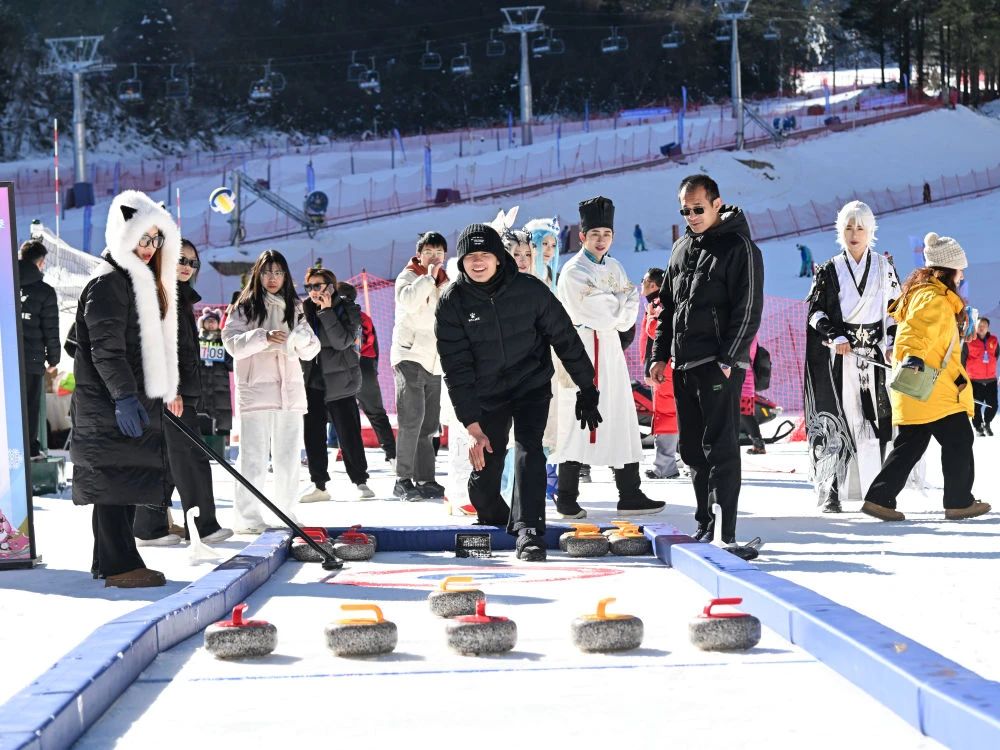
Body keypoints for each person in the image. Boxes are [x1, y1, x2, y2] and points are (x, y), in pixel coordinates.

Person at [435, 224, 599, 560]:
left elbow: (565, 337)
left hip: (530, 385)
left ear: (498, 258)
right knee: (485, 479)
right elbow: (456, 368)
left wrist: (587, 386)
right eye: (470, 256)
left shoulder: (530, 290)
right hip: (486, 393)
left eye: (485, 255)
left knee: (529, 450)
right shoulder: (452, 302)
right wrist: (472, 425)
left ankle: (529, 530)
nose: (477, 262)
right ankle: (494, 511)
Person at [71, 190, 180, 588]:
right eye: (142, 238)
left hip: (121, 400)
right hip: (108, 404)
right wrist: (123, 396)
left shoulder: (126, 279)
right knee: (115, 483)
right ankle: (120, 566)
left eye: (155, 240)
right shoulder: (109, 282)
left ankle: (110, 561)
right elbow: (105, 349)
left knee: (119, 481)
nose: (149, 248)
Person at [650, 175, 764, 544]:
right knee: (692, 450)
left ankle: (728, 532)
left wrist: (729, 358)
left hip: (717, 364)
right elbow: (666, 307)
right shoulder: (680, 247)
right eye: (685, 210)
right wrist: (658, 355)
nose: (692, 216)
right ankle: (703, 522)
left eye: (698, 208)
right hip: (683, 365)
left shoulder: (740, 247)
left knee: (722, 446)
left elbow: (748, 308)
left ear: (717, 204)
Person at [861, 233, 991, 522]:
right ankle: (959, 501)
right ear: (947, 270)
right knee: (958, 438)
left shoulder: (932, 296)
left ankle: (879, 498)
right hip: (932, 387)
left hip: (928, 387)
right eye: (959, 270)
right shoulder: (933, 298)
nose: (962, 275)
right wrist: (912, 358)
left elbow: (930, 335)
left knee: (911, 444)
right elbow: (913, 333)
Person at [555, 196, 664, 518]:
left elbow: (627, 313)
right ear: (582, 237)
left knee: (620, 416)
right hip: (582, 349)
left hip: (610, 351)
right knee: (578, 418)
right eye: (595, 234)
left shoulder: (614, 267)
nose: (600, 240)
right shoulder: (573, 271)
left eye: (606, 234)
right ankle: (566, 495)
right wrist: (618, 303)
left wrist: (615, 304)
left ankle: (629, 492)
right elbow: (599, 313)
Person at [134, 239, 233, 545]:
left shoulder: (179, 296)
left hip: (176, 392)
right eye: (181, 260)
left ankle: (149, 528)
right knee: (191, 457)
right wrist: (171, 389)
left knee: (166, 459)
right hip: (168, 392)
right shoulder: (161, 295)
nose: (187, 267)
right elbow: (157, 346)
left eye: (193, 262)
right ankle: (204, 527)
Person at [804, 201, 899, 513]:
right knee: (838, 422)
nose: (854, 233)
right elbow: (815, 313)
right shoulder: (829, 270)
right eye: (848, 227)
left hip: (874, 361)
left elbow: (896, 311)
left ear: (870, 231)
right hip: (840, 360)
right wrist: (835, 335)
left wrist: (890, 342)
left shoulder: (884, 268)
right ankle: (831, 489)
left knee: (875, 423)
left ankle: (877, 490)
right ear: (839, 231)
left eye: (860, 227)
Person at [222, 249, 321, 532]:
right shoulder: (245, 305)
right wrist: (263, 337)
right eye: (267, 272)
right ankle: (248, 518)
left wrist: (300, 340)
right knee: (252, 457)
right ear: (258, 274)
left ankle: (285, 513)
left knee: (288, 458)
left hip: (289, 393)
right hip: (256, 392)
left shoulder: (296, 305)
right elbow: (231, 343)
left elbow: (312, 348)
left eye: (278, 272)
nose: (273, 278)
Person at [301, 269, 373, 500]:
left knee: (348, 433)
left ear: (330, 286)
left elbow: (342, 341)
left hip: (341, 379)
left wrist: (327, 311)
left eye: (318, 285)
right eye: (309, 287)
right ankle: (319, 485)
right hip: (312, 380)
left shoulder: (348, 308)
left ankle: (360, 481)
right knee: (313, 435)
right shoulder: (304, 309)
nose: (313, 291)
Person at [390, 232, 449, 502]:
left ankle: (426, 478)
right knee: (411, 420)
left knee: (429, 425)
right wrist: (428, 277)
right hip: (410, 355)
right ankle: (402, 479)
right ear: (419, 253)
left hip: (434, 360)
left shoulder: (444, 282)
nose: (434, 257)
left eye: (439, 252)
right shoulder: (409, 276)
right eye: (429, 251)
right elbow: (410, 302)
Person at [338, 281, 396, 460]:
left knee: (339, 412)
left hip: (342, 367)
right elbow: (374, 346)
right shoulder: (364, 317)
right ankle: (391, 452)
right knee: (376, 413)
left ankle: (343, 450)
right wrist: (373, 369)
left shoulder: (335, 316)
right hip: (365, 366)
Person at [17, 240, 60, 459]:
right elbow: (50, 329)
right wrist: (53, 360)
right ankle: (30, 449)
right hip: (32, 360)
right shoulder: (45, 292)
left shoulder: (6, 284)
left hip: (7, 358)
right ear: (41, 262)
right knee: (31, 405)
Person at [640, 267, 679, 479]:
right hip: (661, 368)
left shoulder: (660, 304)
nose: (641, 286)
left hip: (665, 369)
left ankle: (665, 465)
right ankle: (669, 462)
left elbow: (655, 333)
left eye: (645, 282)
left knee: (666, 414)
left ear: (654, 285)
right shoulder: (655, 304)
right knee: (666, 413)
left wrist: (653, 316)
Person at [196, 307, 233, 443]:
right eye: (208, 321)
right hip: (201, 383)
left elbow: (231, 365)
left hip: (220, 386)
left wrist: (226, 356)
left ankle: (222, 442)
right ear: (202, 323)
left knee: (221, 412)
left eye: (213, 321)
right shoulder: (197, 341)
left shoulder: (223, 342)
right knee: (201, 413)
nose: (211, 324)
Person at [967, 317, 998, 436]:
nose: (982, 327)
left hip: (991, 380)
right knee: (976, 406)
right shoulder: (969, 340)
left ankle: (987, 423)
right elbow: (963, 358)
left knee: (993, 405)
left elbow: (996, 356)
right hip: (975, 380)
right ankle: (978, 427)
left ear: (988, 327)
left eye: (984, 325)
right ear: (975, 326)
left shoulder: (994, 340)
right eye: (979, 325)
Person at [741, 338, 766, 454]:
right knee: (746, 414)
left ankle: (759, 445)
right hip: (746, 381)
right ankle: (758, 444)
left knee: (746, 414)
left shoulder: (749, 335)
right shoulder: (752, 335)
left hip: (744, 382)